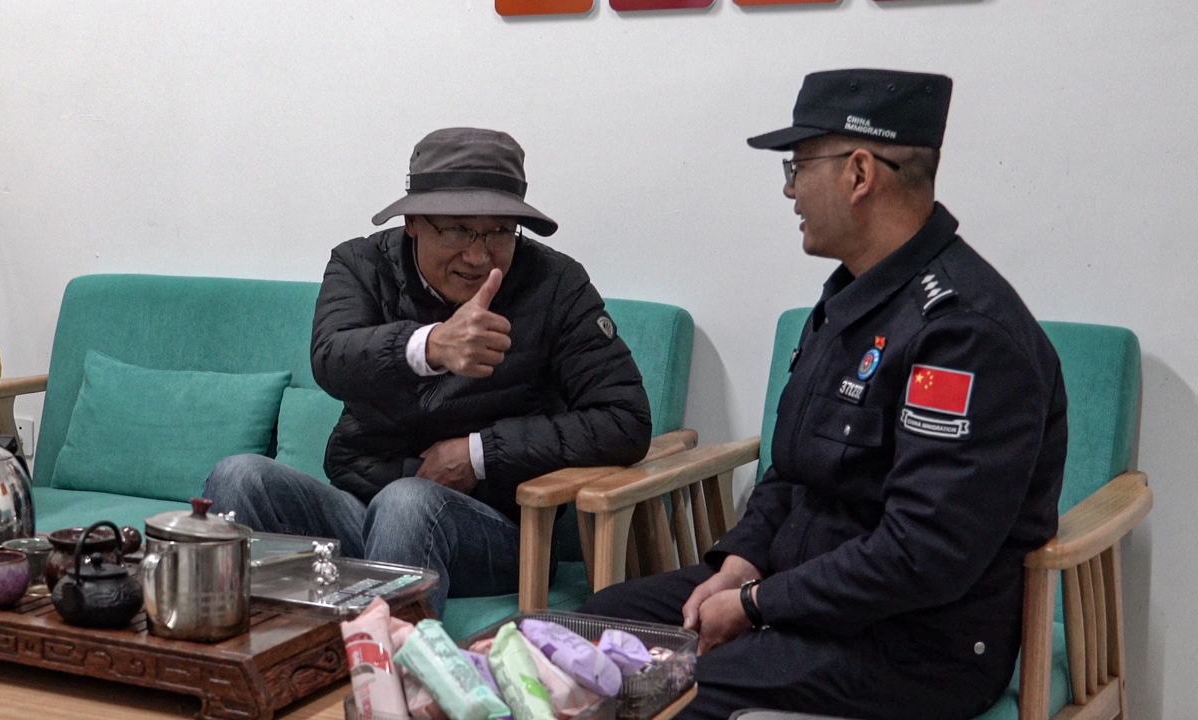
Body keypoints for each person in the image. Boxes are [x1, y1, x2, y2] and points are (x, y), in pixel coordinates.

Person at [581, 69, 1068, 720]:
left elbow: (922, 557)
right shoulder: (853, 297)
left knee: (672, 691)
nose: (789, 191)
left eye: (798, 166)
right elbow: (792, 468)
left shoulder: (963, 335)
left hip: (912, 643)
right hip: (795, 596)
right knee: (589, 626)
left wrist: (758, 606)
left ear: (859, 172)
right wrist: (739, 563)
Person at [204, 128, 653, 616]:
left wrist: (480, 454)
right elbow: (332, 356)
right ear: (413, 221)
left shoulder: (556, 284)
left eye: (500, 231)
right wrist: (429, 346)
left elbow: (625, 420)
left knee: (409, 502)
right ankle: (236, 664)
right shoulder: (360, 265)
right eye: (458, 229)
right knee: (238, 477)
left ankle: (390, 684)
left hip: (495, 534)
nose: (479, 256)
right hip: (361, 509)